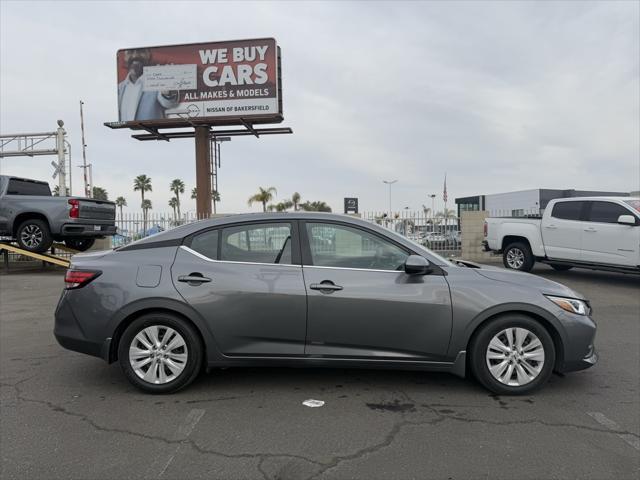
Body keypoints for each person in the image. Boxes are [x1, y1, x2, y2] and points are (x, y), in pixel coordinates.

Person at [118, 50, 179, 122]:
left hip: (153, 132)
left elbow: (169, 103)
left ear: (148, 55)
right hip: (127, 132)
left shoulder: (157, 81)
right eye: (130, 52)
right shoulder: (120, 88)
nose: (135, 56)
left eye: (141, 51)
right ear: (125, 57)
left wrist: (168, 88)